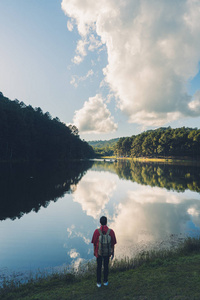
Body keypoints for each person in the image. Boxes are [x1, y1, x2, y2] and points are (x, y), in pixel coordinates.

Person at [91, 216, 117, 288]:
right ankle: (105, 281)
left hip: (98, 253)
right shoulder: (111, 231)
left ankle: (98, 282)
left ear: (100, 222)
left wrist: (94, 252)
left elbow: (94, 243)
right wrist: (112, 252)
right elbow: (113, 243)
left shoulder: (96, 231)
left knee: (98, 267)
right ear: (106, 222)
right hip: (107, 252)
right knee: (106, 267)